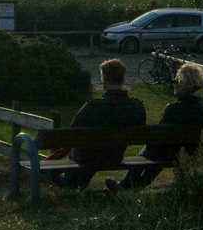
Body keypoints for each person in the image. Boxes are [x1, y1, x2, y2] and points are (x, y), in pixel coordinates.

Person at [53, 58, 148, 189]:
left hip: (89, 157)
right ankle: (71, 183)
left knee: (82, 153)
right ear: (123, 79)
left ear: (104, 79)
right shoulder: (136, 106)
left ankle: (68, 183)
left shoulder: (92, 107)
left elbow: (72, 134)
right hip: (115, 155)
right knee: (91, 152)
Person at [128, 61, 203, 189]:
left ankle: (127, 185)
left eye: (176, 81)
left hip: (169, 152)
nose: (173, 84)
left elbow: (159, 135)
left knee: (148, 152)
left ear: (182, 85)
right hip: (192, 151)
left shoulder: (173, 109)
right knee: (156, 154)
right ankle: (133, 186)